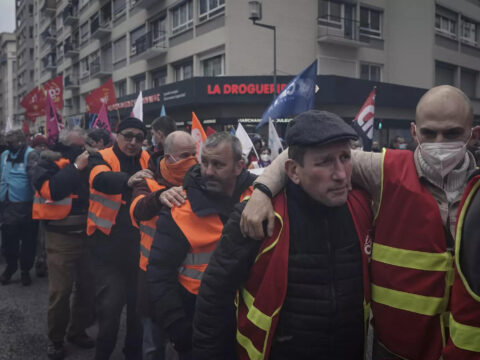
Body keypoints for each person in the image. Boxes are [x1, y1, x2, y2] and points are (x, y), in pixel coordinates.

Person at [240, 85, 479, 360]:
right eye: (429, 133)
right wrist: (262, 192)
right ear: (414, 132)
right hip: (394, 352)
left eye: (451, 133)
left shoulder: (478, 189)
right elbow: (296, 156)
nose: (439, 142)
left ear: (472, 134)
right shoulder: (384, 169)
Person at [193, 111, 373, 360]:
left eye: (345, 157)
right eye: (324, 162)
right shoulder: (256, 215)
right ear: (293, 171)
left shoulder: (363, 206)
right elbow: (213, 299)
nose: (341, 174)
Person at [147, 132, 255, 359]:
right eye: (204, 162)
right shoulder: (179, 208)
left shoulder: (259, 197)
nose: (208, 171)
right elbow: (159, 273)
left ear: (239, 166)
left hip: (252, 322)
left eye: (217, 164)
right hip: (198, 323)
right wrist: (179, 329)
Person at [129, 131, 197, 360]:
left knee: (187, 346)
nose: (192, 160)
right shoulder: (146, 181)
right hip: (152, 282)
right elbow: (137, 210)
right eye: (185, 155)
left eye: (194, 154)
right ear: (168, 157)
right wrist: (159, 197)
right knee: (153, 347)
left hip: (188, 285)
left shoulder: (201, 180)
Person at [87, 117, 150, 360]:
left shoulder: (147, 158)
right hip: (108, 251)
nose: (133, 142)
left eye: (139, 138)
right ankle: (102, 355)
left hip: (140, 251)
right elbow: (99, 179)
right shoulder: (101, 156)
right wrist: (128, 180)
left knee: (138, 313)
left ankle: (132, 354)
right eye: (128, 136)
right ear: (117, 134)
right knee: (110, 311)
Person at [31, 127, 94, 360]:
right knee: (61, 291)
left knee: (87, 288)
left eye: (84, 145)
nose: (82, 149)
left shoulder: (89, 161)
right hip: (60, 237)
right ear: (65, 144)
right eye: (77, 146)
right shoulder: (47, 162)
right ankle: (56, 340)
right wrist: (76, 167)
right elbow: (53, 190)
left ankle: (77, 331)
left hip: (88, 235)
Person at [0, 129, 39, 286]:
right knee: (9, 239)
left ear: (21, 141)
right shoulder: (4, 155)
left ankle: (25, 270)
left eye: (12, 143)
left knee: (28, 240)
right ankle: (10, 267)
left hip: (26, 205)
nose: (9, 146)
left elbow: (35, 179)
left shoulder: (31, 154)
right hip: (7, 204)